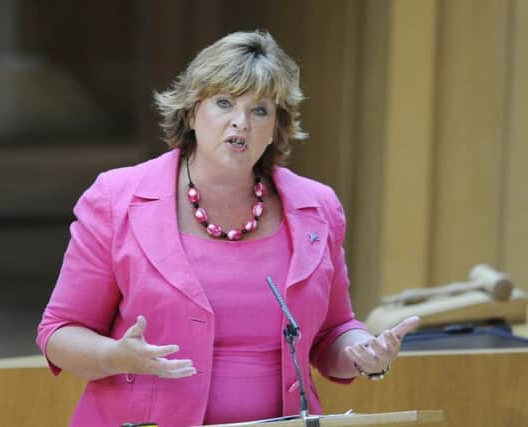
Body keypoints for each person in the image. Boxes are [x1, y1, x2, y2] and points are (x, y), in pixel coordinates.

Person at [37, 30, 419, 427]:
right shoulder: (116, 198)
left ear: (276, 126)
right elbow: (60, 332)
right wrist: (113, 356)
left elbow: (333, 332)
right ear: (191, 112)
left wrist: (364, 351)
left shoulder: (317, 207)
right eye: (224, 103)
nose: (241, 122)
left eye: (260, 110)